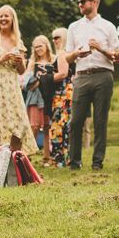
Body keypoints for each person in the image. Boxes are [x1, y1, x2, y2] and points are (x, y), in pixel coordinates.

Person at [65, 0, 119, 170]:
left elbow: (117, 56)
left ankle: (97, 162)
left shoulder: (108, 26)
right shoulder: (74, 27)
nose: (80, 5)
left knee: (100, 120)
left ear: (95, 2)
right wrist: (76, 53)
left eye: (83, 1)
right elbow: (67, 57)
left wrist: (101, 48)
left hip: (103, 74)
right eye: (79, 2)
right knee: (76, 121)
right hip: (81, 76)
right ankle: (74, 161)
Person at [0, 5, 39, 156]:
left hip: (12, 89)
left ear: (13, 19)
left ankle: (13, 164)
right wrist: (2, 59)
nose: (3, 19)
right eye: (1, 16)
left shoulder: (18, 42)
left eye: (7, 16)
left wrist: (19, 62)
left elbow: (22, 71)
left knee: (19, 126)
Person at [26, 34, 69, 167]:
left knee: (47, 127)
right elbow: (26, 84)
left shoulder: (54, 60)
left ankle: (47, 157)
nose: (38, 49)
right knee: (33, 127)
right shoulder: (32, 63)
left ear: (46, 46)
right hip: (35, 98)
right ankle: (26, 156)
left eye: (41, 45)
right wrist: (39, 79)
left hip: (50, 97)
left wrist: (47, 77)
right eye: (36, 46)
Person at [49, 27, 74, 166]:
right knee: (63, 125)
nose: (54, 40)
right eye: (53, 38)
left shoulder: (63, 54)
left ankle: (60, 159)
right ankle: (66, 158)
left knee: (60, 125)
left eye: (57, 37)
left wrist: (46, 77)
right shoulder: (65, 54)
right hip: (64, 92)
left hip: (63, 93)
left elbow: (63, 74)